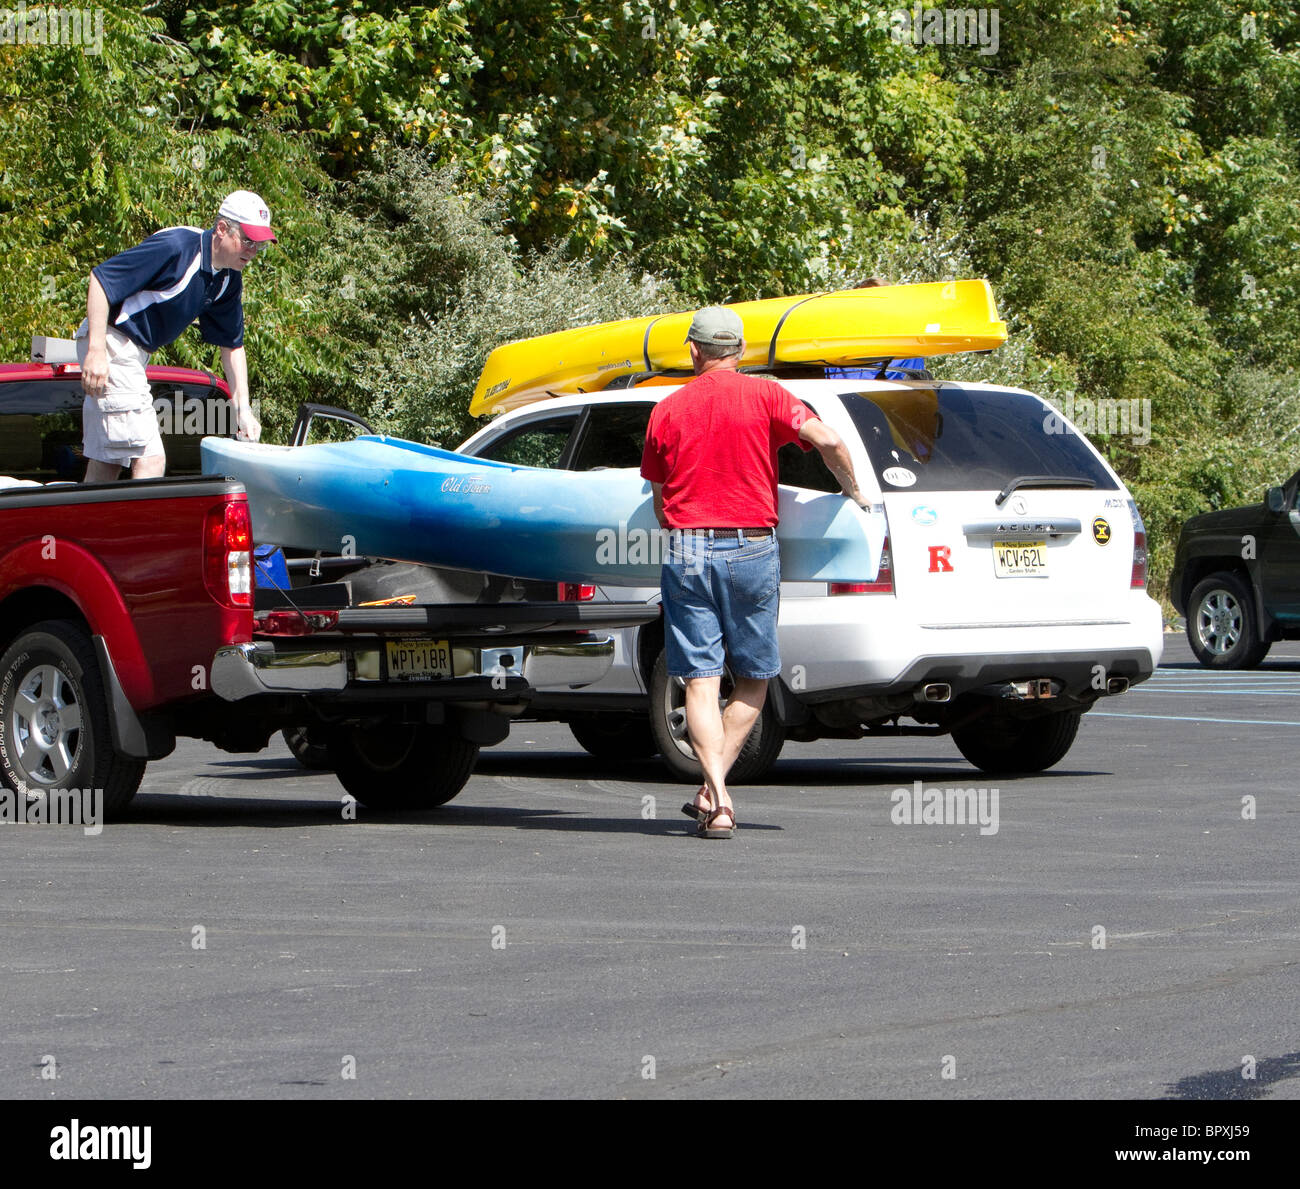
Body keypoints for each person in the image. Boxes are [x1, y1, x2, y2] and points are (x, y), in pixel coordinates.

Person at [640, 306, 868, 839]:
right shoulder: (769, 397)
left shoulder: (667, 410)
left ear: (694, 351)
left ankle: (715, 796)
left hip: (688, 550)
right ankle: (716, 794)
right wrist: (854, 494)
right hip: (752, 549)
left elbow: (657, 496)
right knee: (755, 677)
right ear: (740, 352)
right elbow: (830, 440)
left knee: (698, 680)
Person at [75, 190, 271, 481]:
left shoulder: (229, 278)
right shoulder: (177, 247)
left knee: (108, 464)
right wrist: (96, 352)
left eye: (260, 245)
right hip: (112, 340)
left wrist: (242, 409)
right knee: (151, 460)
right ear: (221, 229)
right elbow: (101, 280)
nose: (253, 251)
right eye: (248, 241)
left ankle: (82, 524)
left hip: (134, 352)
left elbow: (232, 345)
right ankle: (143, 527)